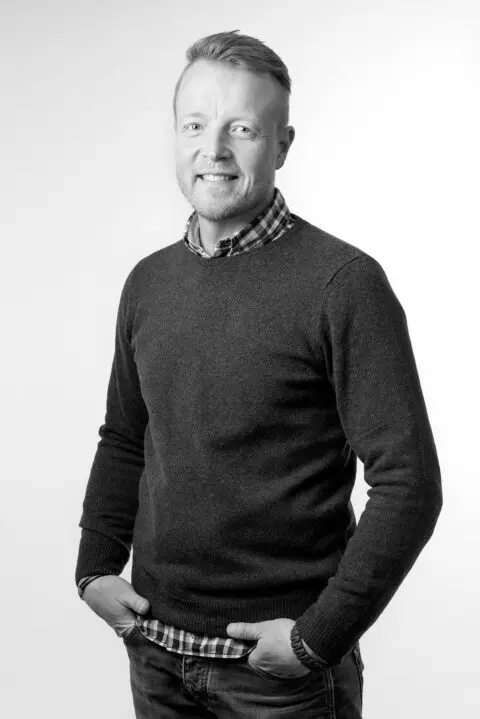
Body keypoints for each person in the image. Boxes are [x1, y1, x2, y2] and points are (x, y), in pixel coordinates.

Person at [75, 29, 443, 719]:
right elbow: (125, 437)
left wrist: (317, 638)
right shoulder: (148, 282)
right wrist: (94, 566)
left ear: (282, 145)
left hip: (279, 681)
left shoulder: (343, 284)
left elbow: (410, 484)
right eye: (195, 125)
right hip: (156, 655)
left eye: (241, 128)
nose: (213, 149)